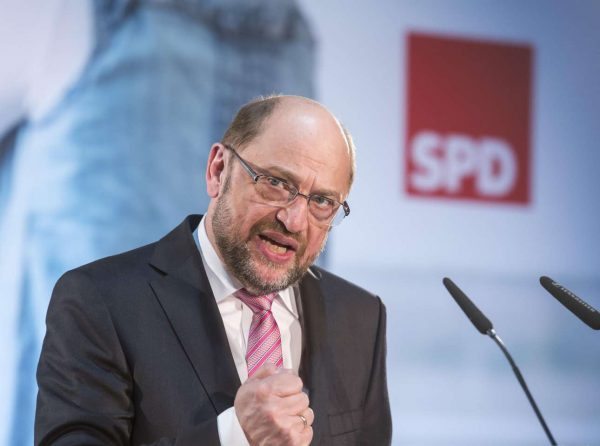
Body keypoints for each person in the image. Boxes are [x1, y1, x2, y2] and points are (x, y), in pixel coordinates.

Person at [35, 95, 392, 445]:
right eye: (276, 183)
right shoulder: (101, 300)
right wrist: (232, 436)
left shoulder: (360, 317)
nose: (294, 220)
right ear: (218, 171)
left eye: (322, 202)